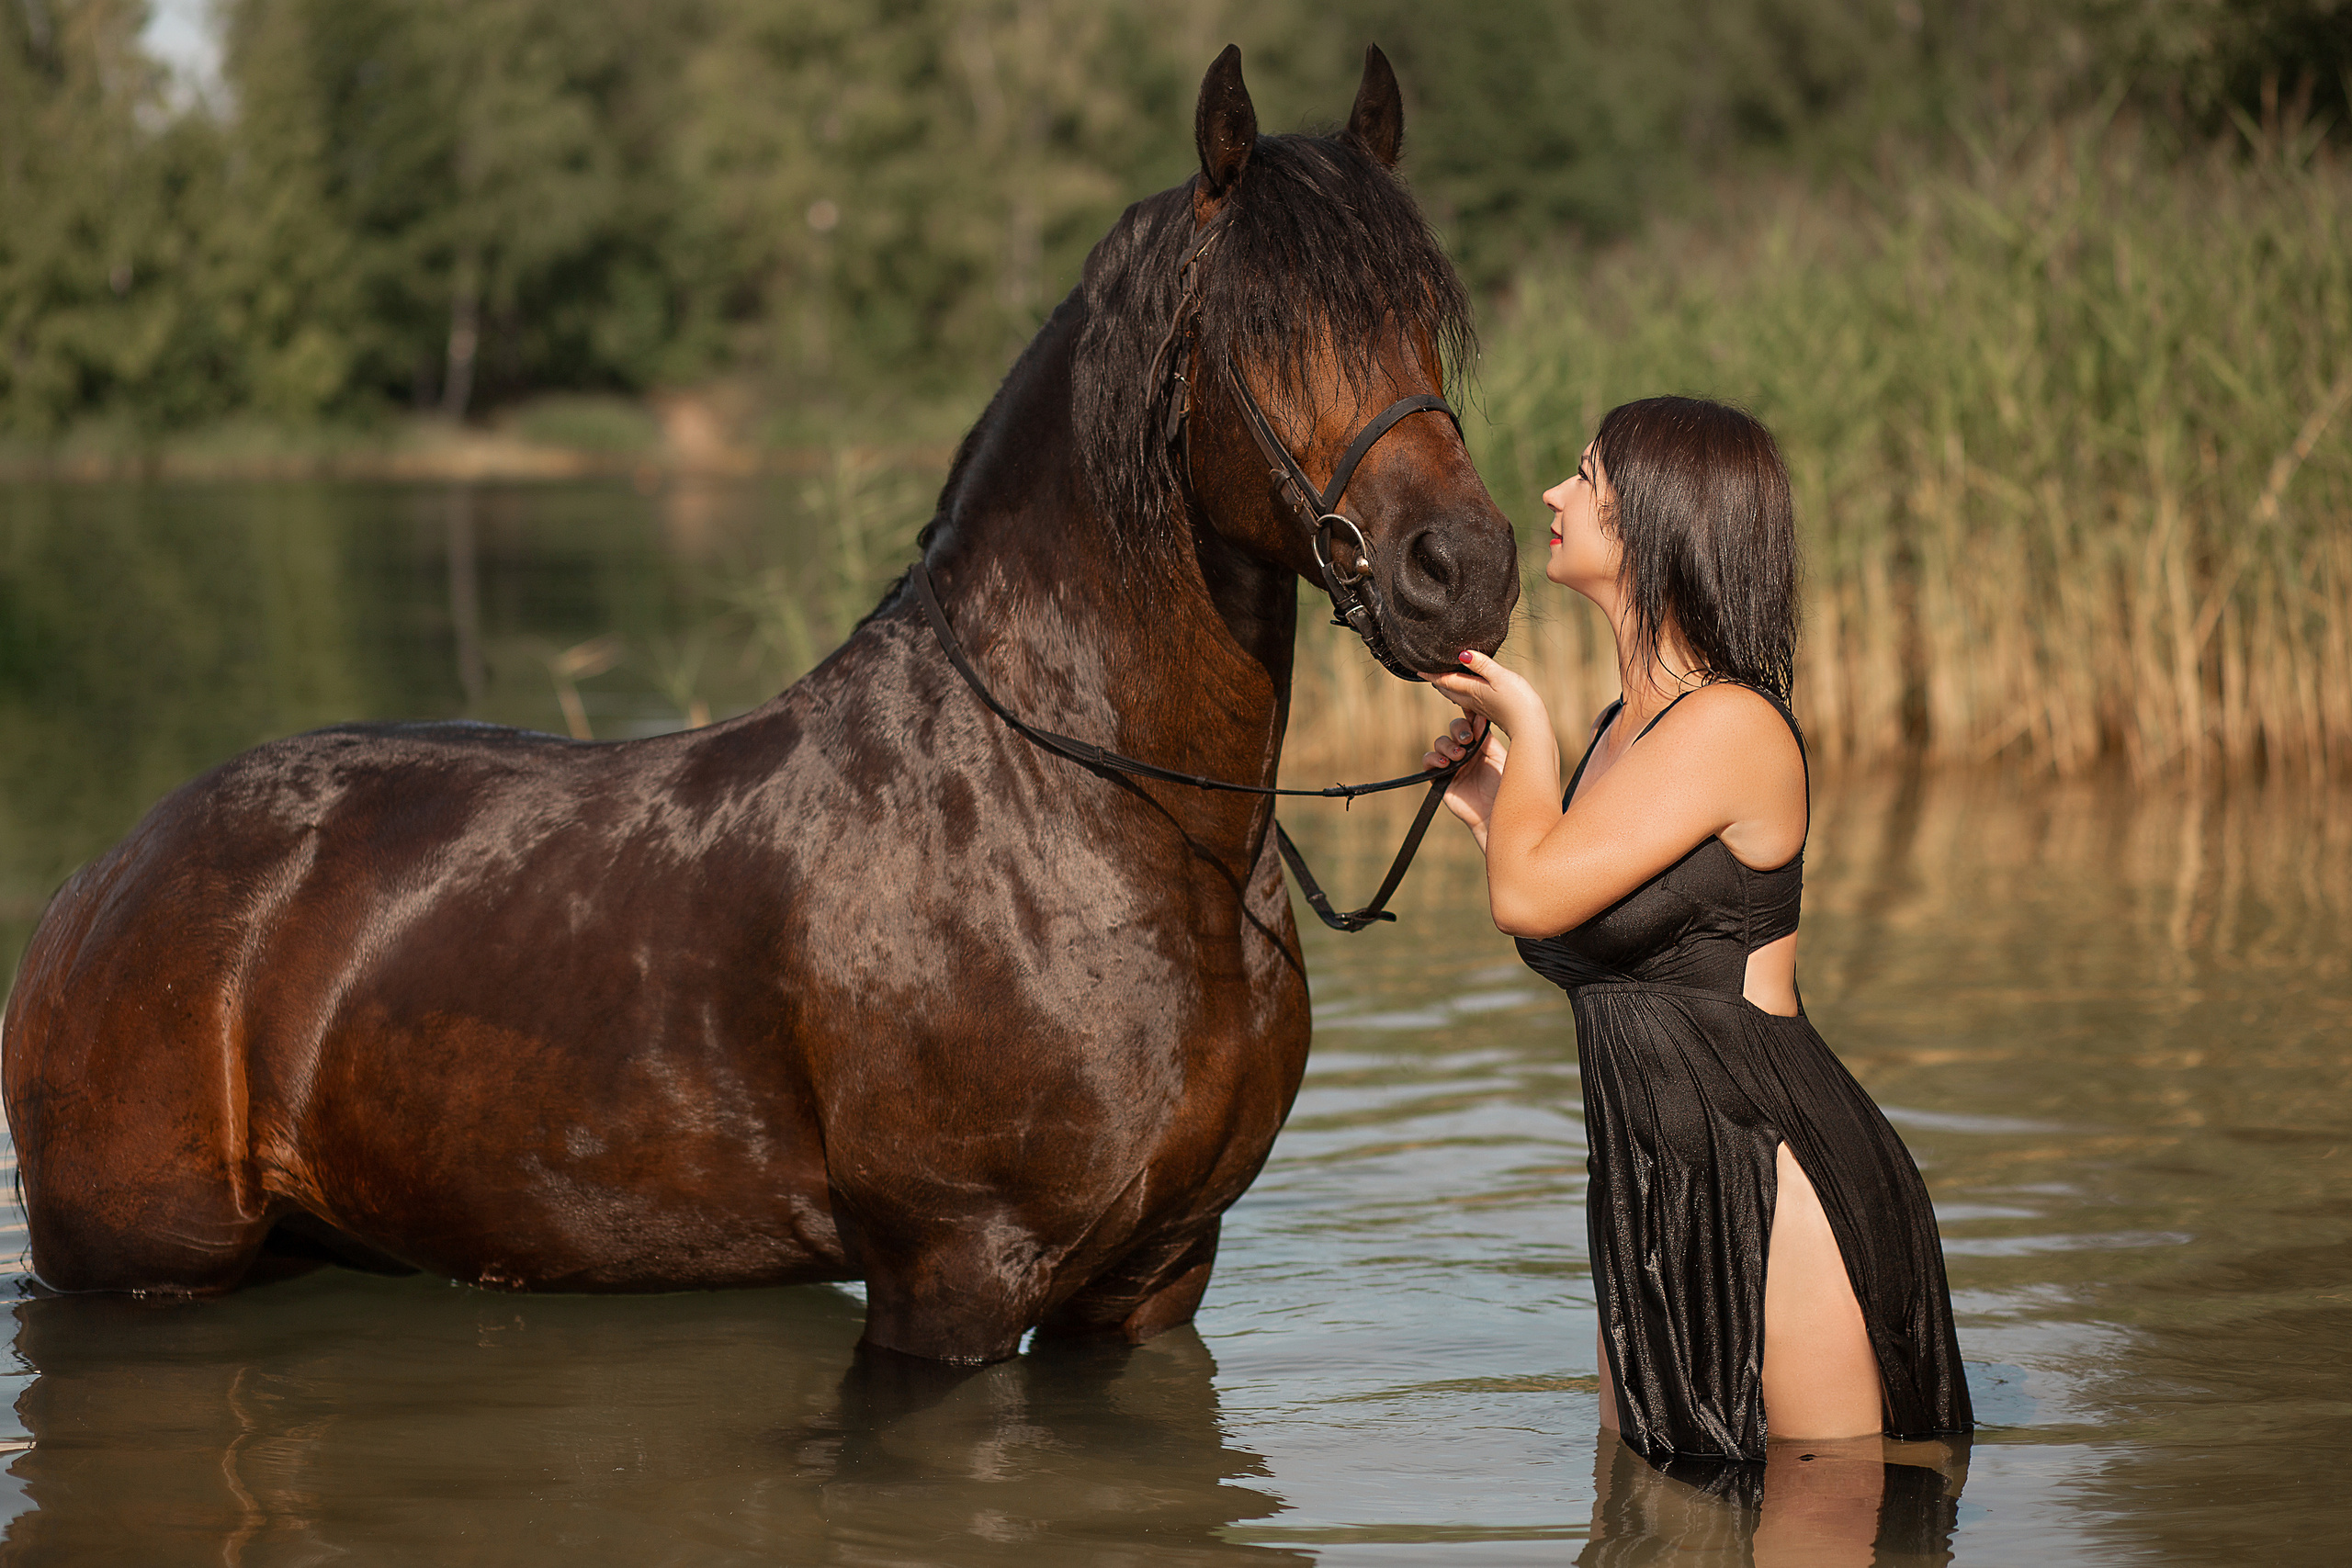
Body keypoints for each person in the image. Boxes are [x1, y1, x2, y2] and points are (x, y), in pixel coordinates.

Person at [1421, 395, 1973, 1466]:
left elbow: (1528, 900)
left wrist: (1522, 726)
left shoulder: (1730, 724)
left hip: (1773, 1171)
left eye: (1584, 477)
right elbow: (1578, 923)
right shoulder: (1618, 733)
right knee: (1650, 1507)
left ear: (1657, 522)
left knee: (1828, 1507)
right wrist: (1498, 800)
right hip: (1649, 1181)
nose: (1552, 494)